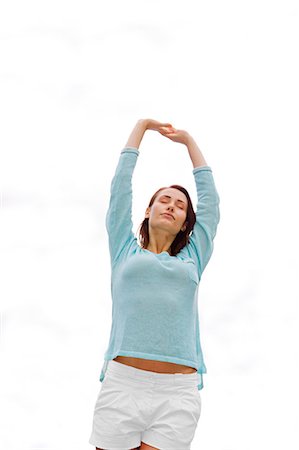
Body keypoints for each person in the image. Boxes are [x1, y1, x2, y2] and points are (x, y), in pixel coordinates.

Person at [89, 118, 221, 450]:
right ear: (148, 210)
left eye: (180, 207)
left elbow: (211, 208)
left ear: (184, 225)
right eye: (165, 200)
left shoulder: (193, 257)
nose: (172, 206)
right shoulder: (123, 248)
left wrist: (190, 141)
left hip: (177, 392)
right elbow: (120, 188)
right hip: (123, 384)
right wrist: (141, 128)